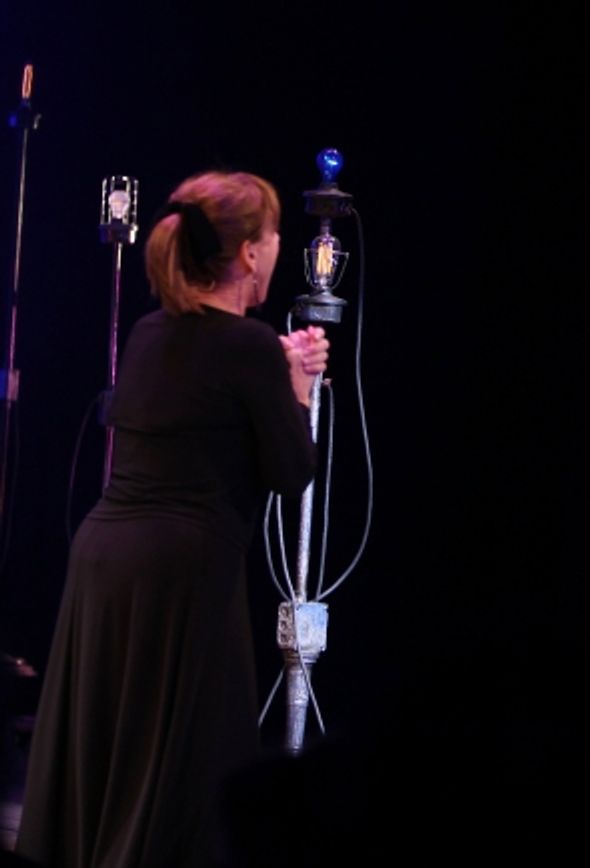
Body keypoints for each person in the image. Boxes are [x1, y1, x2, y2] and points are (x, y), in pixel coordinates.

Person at [15, 171, 330, 868]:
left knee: (111, 746)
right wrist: (300, 390)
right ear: (250, 253)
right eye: (274, 233)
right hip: (179, 577)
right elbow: (290, 471)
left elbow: (205, 413)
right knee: (188, 757)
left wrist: (275, 378)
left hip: (107, 565)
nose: (278, 245)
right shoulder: (247, 346)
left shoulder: (151, 331)